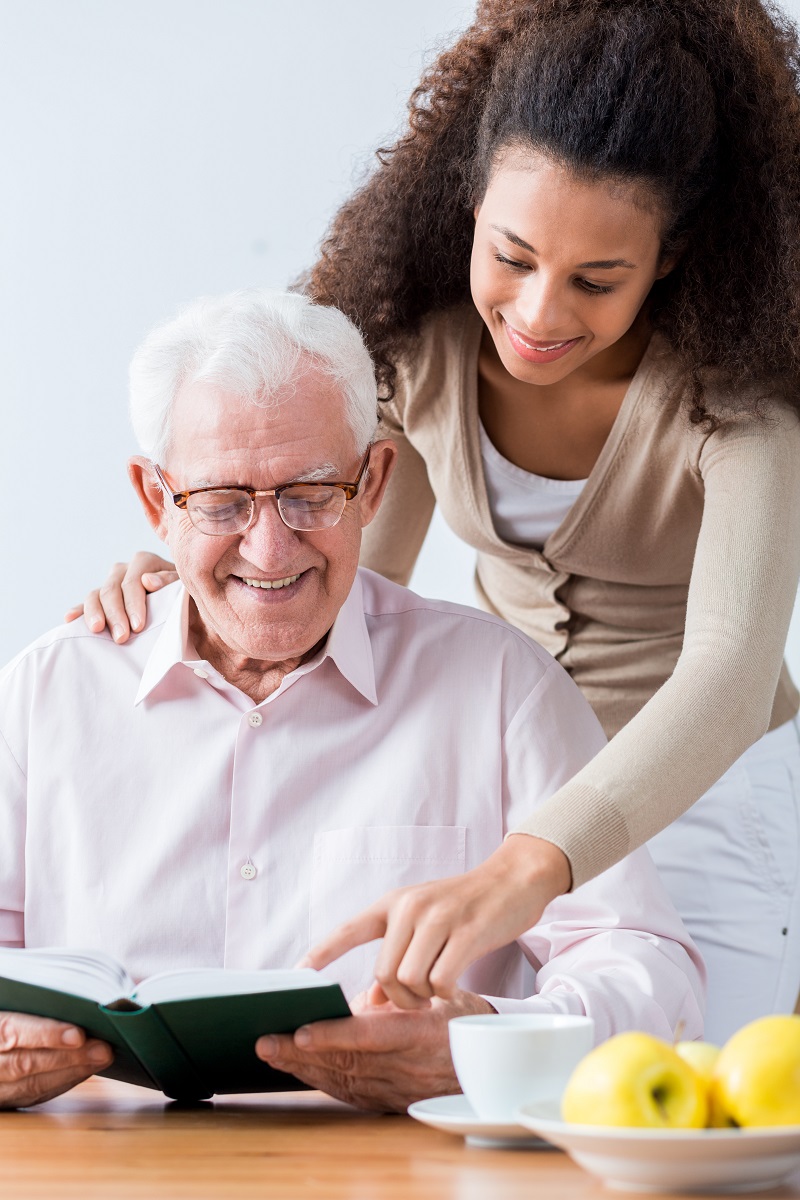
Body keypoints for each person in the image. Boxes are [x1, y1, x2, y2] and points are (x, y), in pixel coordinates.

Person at [68, 0, 800, 1043]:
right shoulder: (414, 352)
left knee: (674, 1110)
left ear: (672, 257)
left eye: (596, 280)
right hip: (507, 781)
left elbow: (728, 676)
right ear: (466, 206)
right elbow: (352, 576)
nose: (539, 313)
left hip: (701, 799)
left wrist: (525, 865)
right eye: (510, 255)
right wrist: (199, 565)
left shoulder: (737, 403)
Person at [0, 290, 703, 1112]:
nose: (268, 548)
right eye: (223, 502)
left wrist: (483, 1046)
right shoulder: (49, 691)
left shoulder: (500, 687)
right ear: (158, 501)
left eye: (311, 494)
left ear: (372, 484)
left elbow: (651, 975)